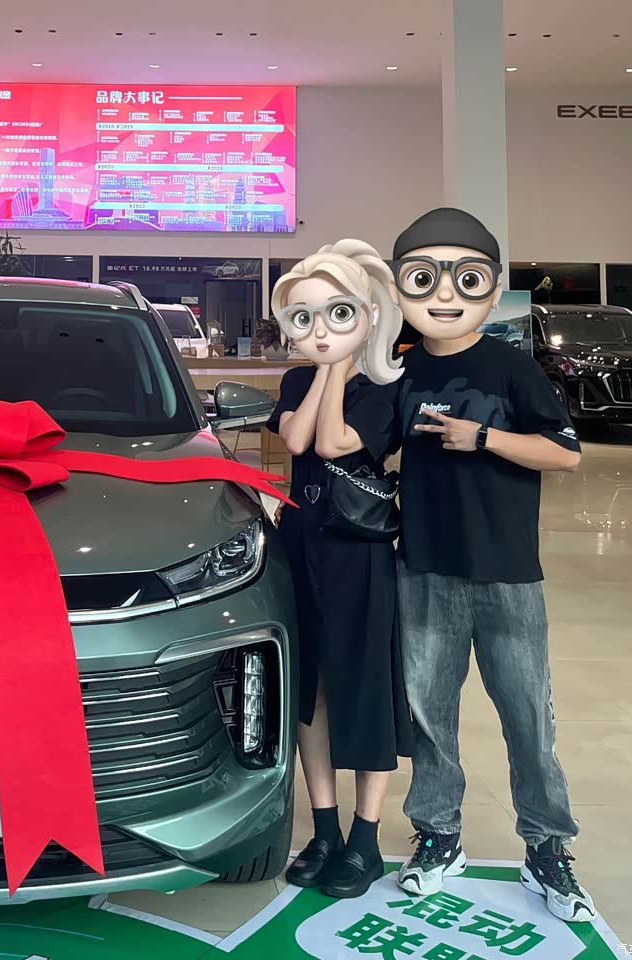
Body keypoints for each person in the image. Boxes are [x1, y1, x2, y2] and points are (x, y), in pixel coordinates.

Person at [386, 207, 595, 923]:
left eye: (466, 277)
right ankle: (438, 837)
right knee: (429, 716)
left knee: (528, 717)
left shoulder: (511, 366)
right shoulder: (400, 368)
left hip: (507, 572)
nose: (444, 293)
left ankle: (547, 848)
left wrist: (483, 438)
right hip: (424, 566)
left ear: (493, 286)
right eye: (424, 277)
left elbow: (565, 453)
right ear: (401, 286)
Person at [266, 239, 412, 899]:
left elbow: (332, 443)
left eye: (338, 314)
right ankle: (323, 828)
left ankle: (364, 839)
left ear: (368, 314)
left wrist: (345, 363)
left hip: (360, 554)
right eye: (305, 319)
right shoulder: (298, 380)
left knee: (365, 688)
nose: (319, 331)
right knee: (311, 691)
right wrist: (328, 367)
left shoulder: (388, 387)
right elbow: (296, 440)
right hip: (300, 546)